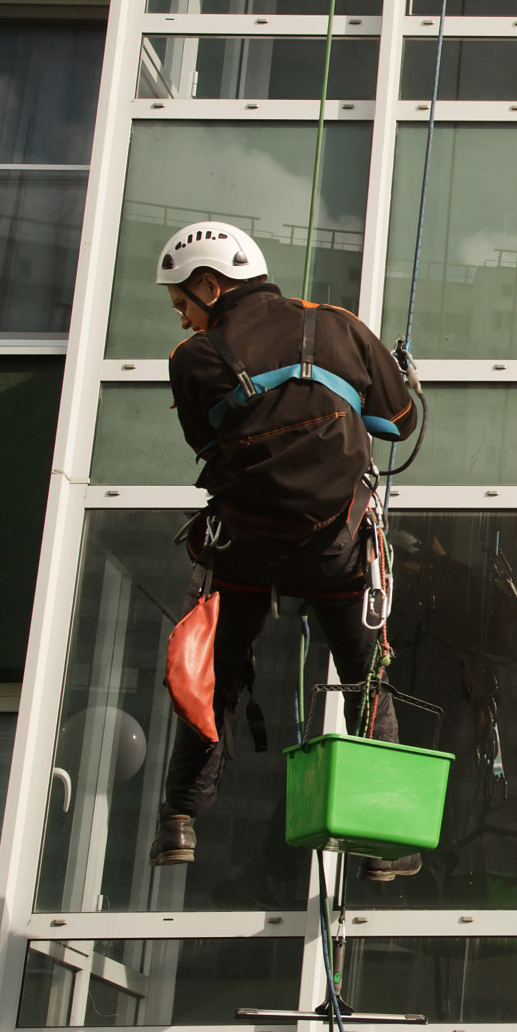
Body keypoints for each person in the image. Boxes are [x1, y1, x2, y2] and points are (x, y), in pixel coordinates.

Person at [146, 221, 421, 880]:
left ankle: (180, 816)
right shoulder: (339, 326)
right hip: (337, 546)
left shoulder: (193, 363)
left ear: (212, 285)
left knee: (214, 674)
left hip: (247, 548)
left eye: (184, 302)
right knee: (366, 680)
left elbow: (208, 447)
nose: (184, 320)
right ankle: (387, 843)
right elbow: (399, 423)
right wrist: (391, 378)